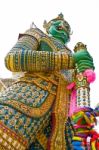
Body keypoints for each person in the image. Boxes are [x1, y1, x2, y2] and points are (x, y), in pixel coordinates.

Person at [0, 13, 94, 150]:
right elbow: (13, 58)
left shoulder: (75, 58)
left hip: (63, 119)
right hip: (27, 95)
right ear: (48, 27)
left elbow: (78, 90)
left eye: (67, 27)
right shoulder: (37, 34)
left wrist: (84, 74)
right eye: (58, 24)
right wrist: (69, 60)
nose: (63, 26)